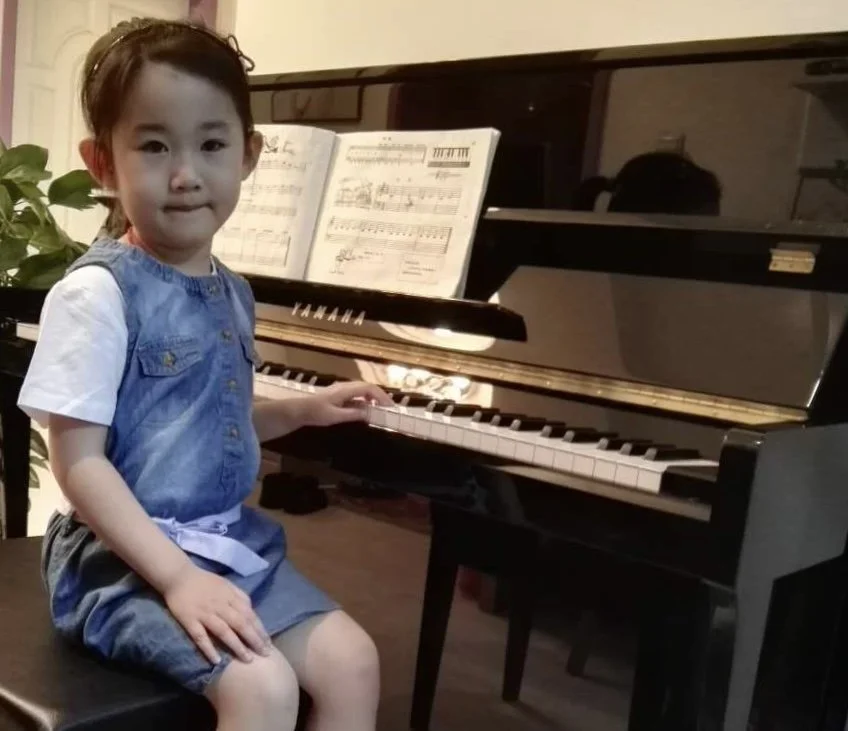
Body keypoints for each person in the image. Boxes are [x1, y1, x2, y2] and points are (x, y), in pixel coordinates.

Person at [17, 17, 392, 731]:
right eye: (154, 146)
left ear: (248, 154)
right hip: (121, 559)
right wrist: (179, 578)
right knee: (262, 687)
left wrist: (301, 410)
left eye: (212, 145)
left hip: (223, 546)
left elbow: (203, 422)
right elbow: (79, 464)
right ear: (102, 163)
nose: (186, 174)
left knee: (354, 662)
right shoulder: (96, 294)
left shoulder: (232, 291)